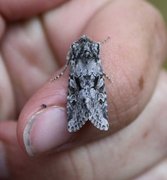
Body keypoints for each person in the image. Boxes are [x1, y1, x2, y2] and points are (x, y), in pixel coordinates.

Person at [0, 0, 167, 179]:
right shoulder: (93, 51)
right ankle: (92, 115)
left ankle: (80, 116)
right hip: (94, 80)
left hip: (79, 82)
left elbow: (73, 64)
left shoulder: (77, 50)